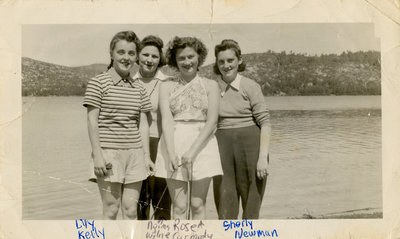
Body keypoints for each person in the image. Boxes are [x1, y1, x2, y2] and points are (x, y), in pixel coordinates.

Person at [83, 31, 154, 220]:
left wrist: (146, 156)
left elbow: (144, 124)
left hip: (135, 155)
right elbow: (92, 120)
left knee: (131, 211)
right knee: (111, 210)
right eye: (121, 52)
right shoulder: (98, 83)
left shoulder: (138, 87)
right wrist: (97, 155)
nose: (126, 57)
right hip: (108, 154)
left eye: (131, 53)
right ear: (111, 53)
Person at [154, 36, 222, 220]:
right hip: (173, 143)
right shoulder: (166, 86)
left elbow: (212, 122)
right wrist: (170, 152)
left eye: (191, 56)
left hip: (203, 144)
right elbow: (166, 120)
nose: (187, 62)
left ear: (199, 57)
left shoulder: (211, 85)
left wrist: (192, 152)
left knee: (197, 204)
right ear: (175, 61)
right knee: (179, 206)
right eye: (181, 58)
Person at [212, 39, 271, 219]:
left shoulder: (250, 86)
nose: (226, 65)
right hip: (222, 149)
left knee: (251, 201)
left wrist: (262, 158)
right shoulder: (212, 88)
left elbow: (265, 123)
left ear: (239, 60)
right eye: (221, 61)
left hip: (251, 148)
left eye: (230, 60)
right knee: (224, 199)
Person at [133, 35, 172, 220]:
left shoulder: (168, 83)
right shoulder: (129, 82)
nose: (149, 60)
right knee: (139, 203)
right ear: (137, 56)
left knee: (162, 203)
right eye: (145, 54)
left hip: (160, 145)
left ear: (160, 59)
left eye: (154, 56)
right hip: (134, 145)